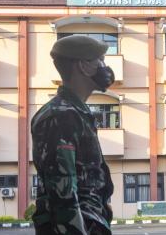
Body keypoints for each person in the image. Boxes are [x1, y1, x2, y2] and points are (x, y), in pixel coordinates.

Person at [31, 35, 115, 235]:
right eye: (99, 60)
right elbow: (63, 193)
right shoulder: (61, 115)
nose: (105, 67)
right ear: (83, 66)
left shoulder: (75, 112)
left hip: (90, 222)